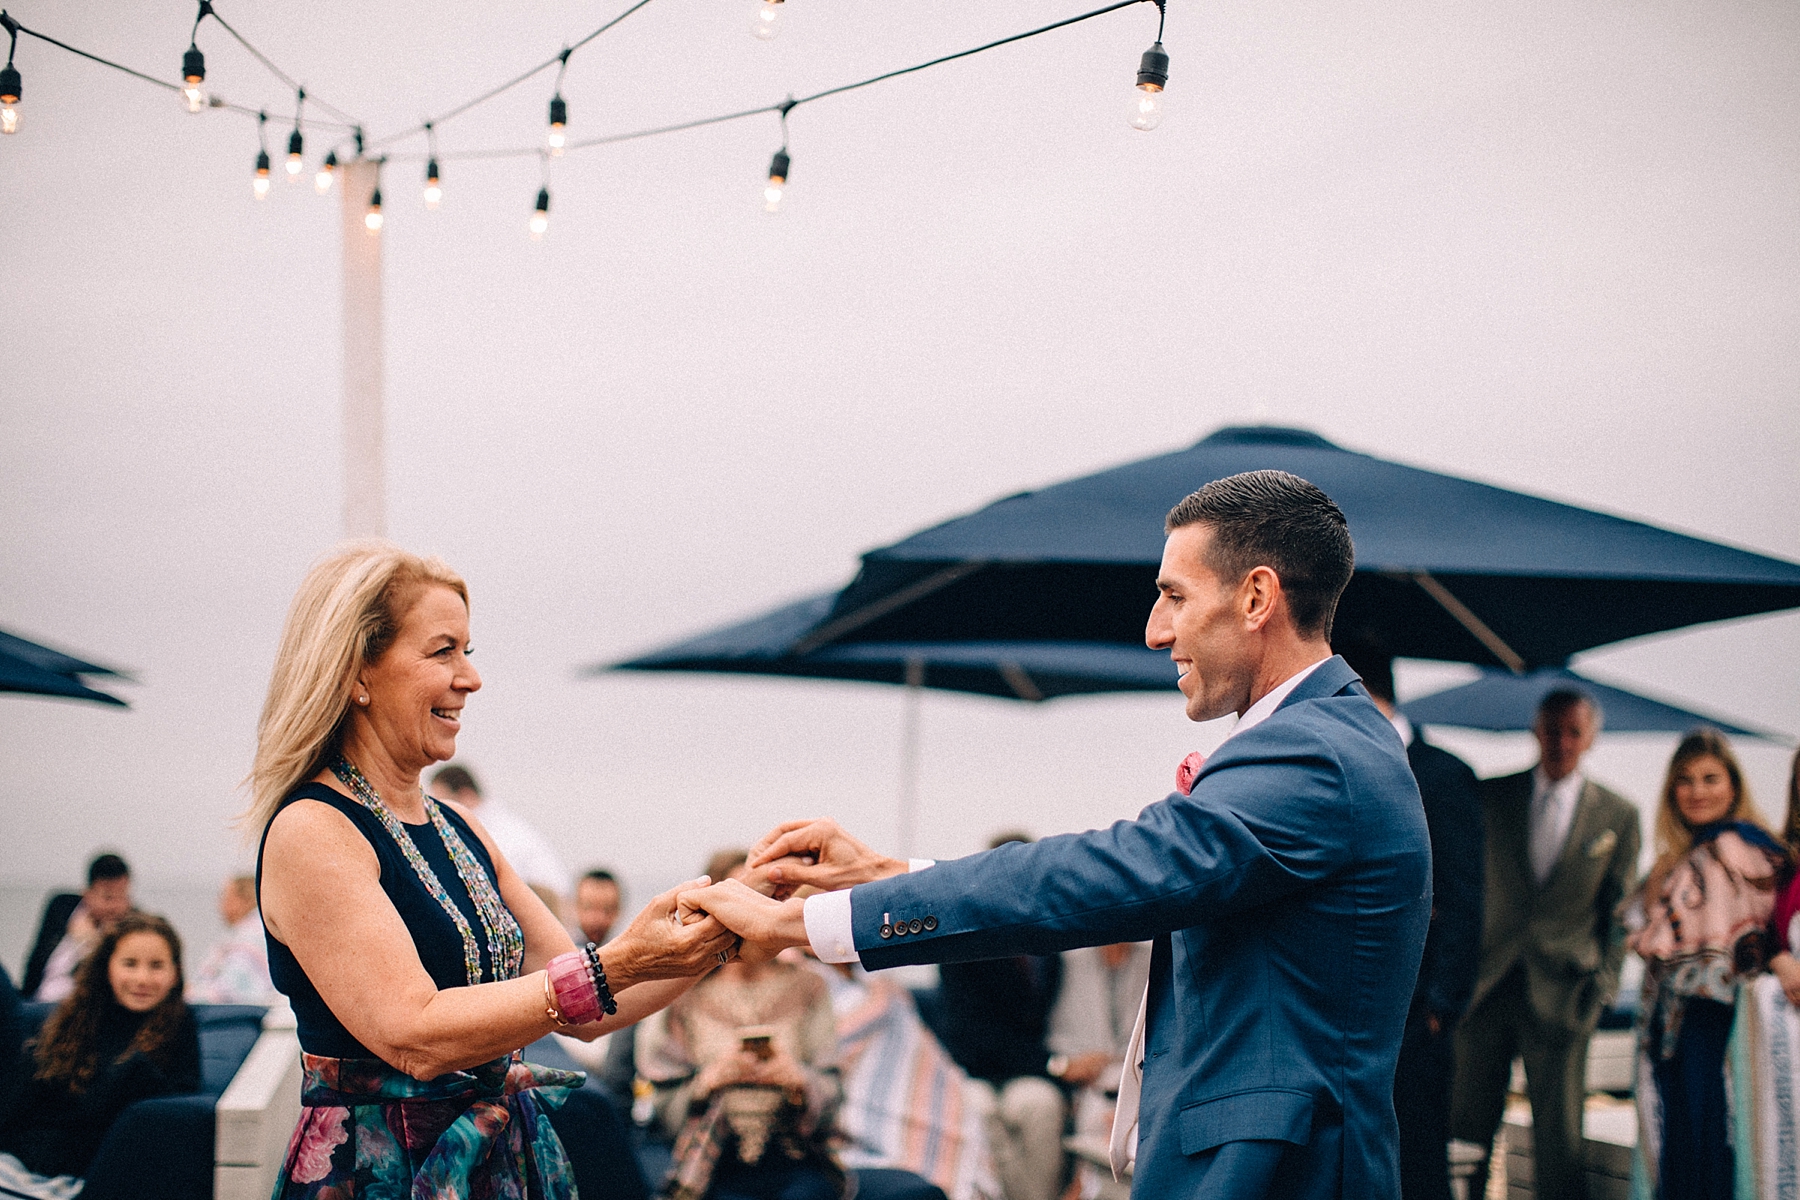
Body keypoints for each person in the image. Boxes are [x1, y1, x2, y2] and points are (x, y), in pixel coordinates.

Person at [680, 469, 1434, 1198]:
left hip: (1276, 1175)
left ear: (1257, 596)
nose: (1154, 631)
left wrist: (805, 923)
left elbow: (1105, 874)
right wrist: (883, 872)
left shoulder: (1315, 754)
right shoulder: (1319, 743)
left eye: (1174, 595)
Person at [249, 542, 736, 1199]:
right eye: (442, 651)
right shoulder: (313, 830)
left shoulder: (460, 827)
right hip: (381, 1172)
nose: (470, 679)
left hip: (499, 1164)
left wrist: (733, 923)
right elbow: (414, 1033)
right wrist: (612, 964)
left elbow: (588, 1010)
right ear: (356, 670)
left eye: (466, 653)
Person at [1450, 689, 1640, 1200]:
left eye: (1574, 731)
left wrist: (1604, 987)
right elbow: (1459, 888)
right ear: (1537, 731)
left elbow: (1618, 914)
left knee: (1561, 1147)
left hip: (1563, 994)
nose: (1561, 742)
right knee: (1464, 1134)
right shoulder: (1491, 796)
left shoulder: (1618, 816)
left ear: (1591, 738)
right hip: (1486, 988)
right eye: (1553, 729)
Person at [1334, 640, 1483, 1200]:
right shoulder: (1341, 768)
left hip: (1419, 1014)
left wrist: (1443, 1007)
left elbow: (1467, 896)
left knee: (1418, 1162)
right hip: (1346, 1012)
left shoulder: (1444, 775)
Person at [1624, 729, 1785, 1200]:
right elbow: (1642, 926)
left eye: (1711, 779)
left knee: (1712, 1137)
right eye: (1686, 780)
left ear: (1733, 785)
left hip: (1721, 1020)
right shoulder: (1680, 858)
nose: (1698, 791)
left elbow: (1759, 937)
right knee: (1679, 1138)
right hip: (1672, 1024)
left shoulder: (1748, 850)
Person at [636, 849, 846, 1200]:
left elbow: (834, 1091)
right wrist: (710, 1080)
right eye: (733, 899)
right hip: (706, 1161)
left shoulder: (808, 987)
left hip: (794, 1156)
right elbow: (659, 1100)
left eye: (755, 898)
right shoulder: (685, 992)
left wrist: (797, 1080)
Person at [0, 914, 201, 1184]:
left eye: (156, 966)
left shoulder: (179, 1023)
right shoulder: (77, 1015)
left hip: (94, 1166)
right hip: (27, 1154)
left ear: (175, 972)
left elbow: (178, 1097)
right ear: (107, 966)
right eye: (130, 964)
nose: (142, 978)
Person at [933, 833, 1065, 1200]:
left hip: (1026, 1072)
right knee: (980, 1110)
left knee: (1040, 1106)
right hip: (973, 1070)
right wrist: (1055, 1065)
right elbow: (969, 1034)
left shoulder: (1051, 947)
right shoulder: (961, 942)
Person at [1048, 941, 1152, 1200]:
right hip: (1089, 1087)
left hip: (1141, 1082)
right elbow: (1058, 1044)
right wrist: (1072, 1066)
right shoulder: (1071, 961)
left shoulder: (1151, 958)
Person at [431, 764, 574, 902]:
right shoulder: (503, 824)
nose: (435, 811)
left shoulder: (496, 834)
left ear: (466, 795)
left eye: (441, 802)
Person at [22, 854, 133, 1002]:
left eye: (123, 897)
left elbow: (104, 985)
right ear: (87, 894)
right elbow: (36, 957)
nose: (116, 906)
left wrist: (92, 942)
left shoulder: (132, 924)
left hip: (77, 1008)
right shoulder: (62, 906)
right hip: (36, 997)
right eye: (108, 897)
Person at [188, 874, 276, 1004]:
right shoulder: (262, 930)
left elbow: (232, 991)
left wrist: (183, 996)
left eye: (224, 896)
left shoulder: (249, 938)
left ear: (243, 900)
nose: (219, 904)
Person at [578, 869, 625, 946]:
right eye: (589, 908)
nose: (598, 918)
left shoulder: (627, 952)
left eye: (607, 910)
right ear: (575, 907)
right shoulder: (559, 952)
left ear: (618, 911)